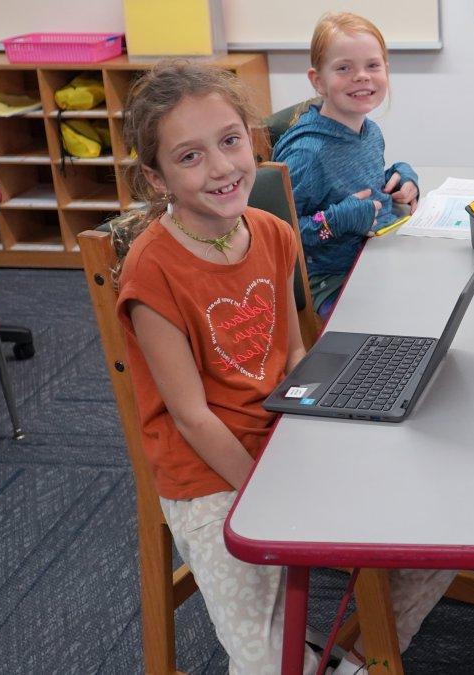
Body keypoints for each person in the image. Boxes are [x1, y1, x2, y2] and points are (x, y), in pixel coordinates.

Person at [112, 61, 450, 674]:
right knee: (265, 662)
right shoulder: (152, 270)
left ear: (253, 139)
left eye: (230, 141)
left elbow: (294, 354)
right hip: (209, 473)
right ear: (155, 177)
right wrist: (266, 492)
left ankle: (348, 658)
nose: (220, 168)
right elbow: (191, 418)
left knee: (439, 537)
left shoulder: (271, 232)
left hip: (283, 434)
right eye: (189, 157)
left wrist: (325, 427)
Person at [274, 11, 419, 320]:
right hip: (330, 280)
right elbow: (278, 237)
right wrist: (338, 220)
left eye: (372, 66)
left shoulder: (370, 132)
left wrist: (400, 177)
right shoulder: (307, 155)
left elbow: (359, 183)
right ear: (318, 81)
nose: (362, 76)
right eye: (344, 68)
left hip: (373, 258)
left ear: (386, 71)